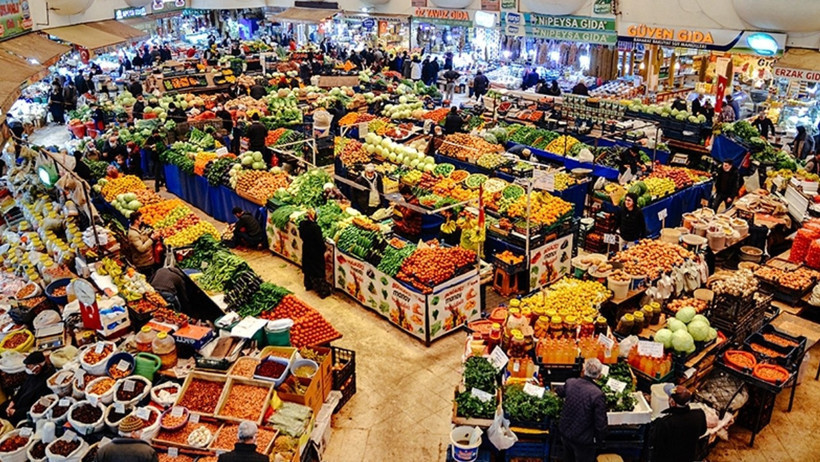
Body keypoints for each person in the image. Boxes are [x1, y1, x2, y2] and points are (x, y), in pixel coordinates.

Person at [555, 358, 607, 462]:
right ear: (599, 375)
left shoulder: (571, 383)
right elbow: (600, 423)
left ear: (583, 371)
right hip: (583, 440)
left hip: (566, 433)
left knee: (567, 458)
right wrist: (600, 441)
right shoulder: (597, 395)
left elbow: (559, 391)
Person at [650, 385, 708, 462]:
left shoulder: (665, 423)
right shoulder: (699, 414)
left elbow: (656, 444)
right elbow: (702, 431)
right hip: (688, 457)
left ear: (672, 402)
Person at [0, 351, 54, 424]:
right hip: (19, 402)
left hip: (25, 412)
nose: (27, 369)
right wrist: (13, 402)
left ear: (37, 367)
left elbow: (37, 405)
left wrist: (16, 412)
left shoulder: (46, 382)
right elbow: (22, 389)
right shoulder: (32, 375)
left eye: (28, 366)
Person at [299, 209, 330, 298]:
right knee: (317, 271)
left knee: (308, 268)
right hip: (315, 252)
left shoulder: (302, 224)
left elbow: (301, 236)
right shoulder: (315, 228)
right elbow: (319, 243)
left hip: (306, 250)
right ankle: (322, 291)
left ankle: (308, 285)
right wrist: (325, 250)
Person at [128, 212, 157, 276]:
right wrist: (152, 239)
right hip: (143, 263)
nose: (142, 220)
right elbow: (141, 248)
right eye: (141, 218)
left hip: (148, 259)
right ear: (136, 221)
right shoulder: (133, 234)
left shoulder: (138, 229)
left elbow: (142, 237)